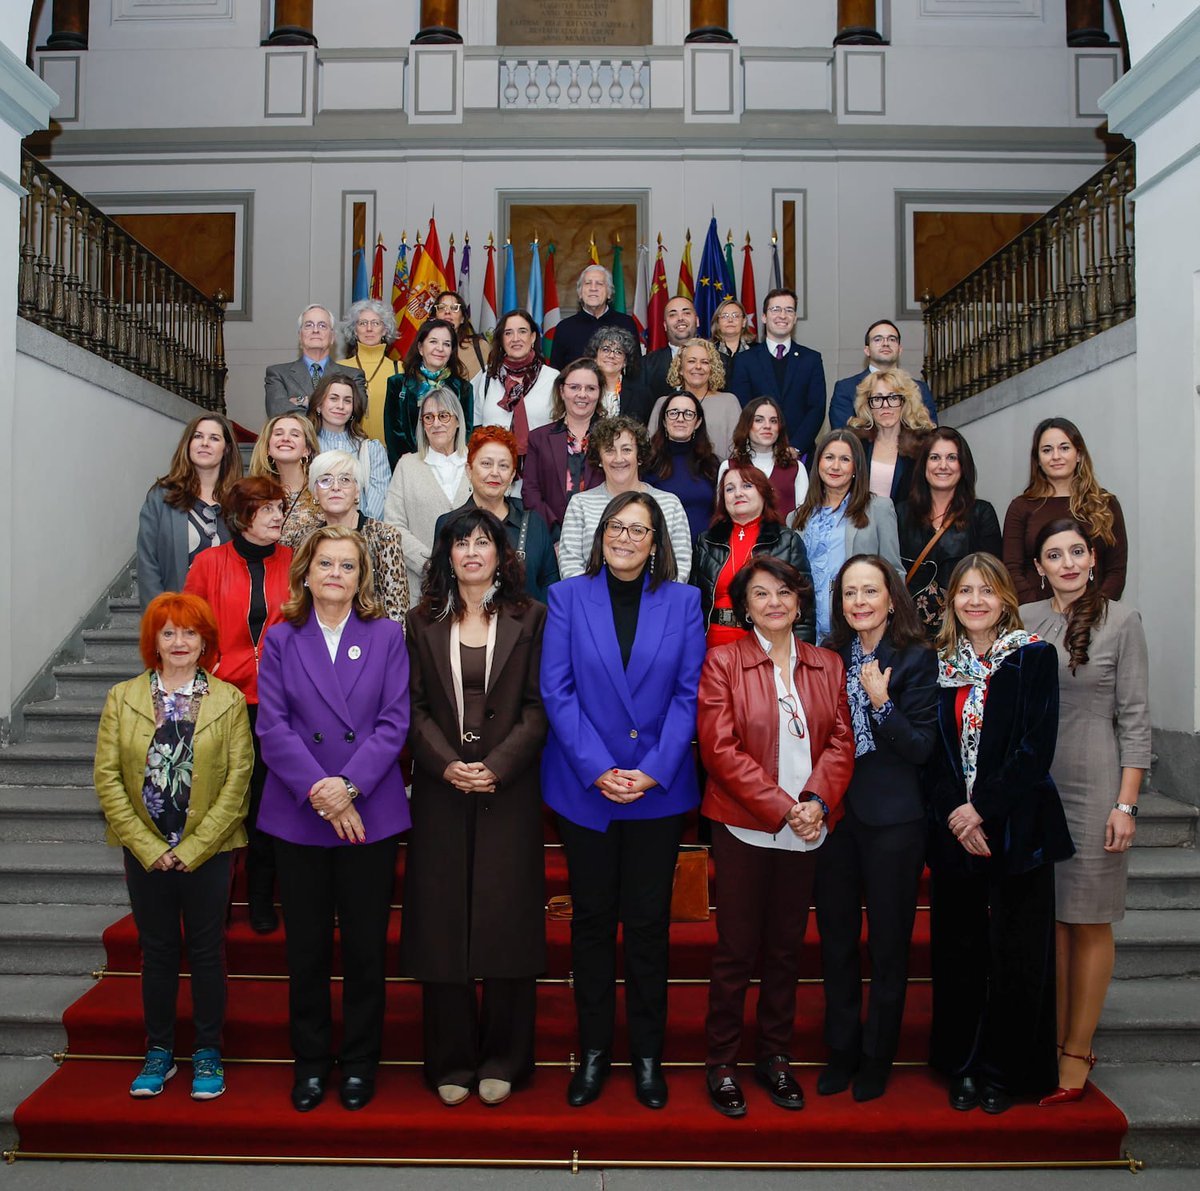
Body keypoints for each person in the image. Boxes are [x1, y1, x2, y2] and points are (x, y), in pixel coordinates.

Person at [541, 491, 705, 1110]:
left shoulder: (686, 602)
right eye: (617, 526)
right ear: (600, 534)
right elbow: (556, 692)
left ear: (657, 540)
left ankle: (645, 1055)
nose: (626, 537)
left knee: (646, 928)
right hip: (587, 790)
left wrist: (653, 770)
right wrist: (598, 767)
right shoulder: (566, 597)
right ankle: (591, 1052)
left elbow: (689, 696)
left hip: (657, 794)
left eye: (639, 529)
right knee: (589, 926)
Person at [255, 526, 411, 1114]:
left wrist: (348, 788)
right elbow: (272, 726)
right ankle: (312, 1064)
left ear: (360, 577)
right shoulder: (281, 638)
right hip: (301, 813)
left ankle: (361, 1064)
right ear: (306, 572)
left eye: (347, 566)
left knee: (368, 950)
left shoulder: (386, 635)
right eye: (325, 564)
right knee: (309, 952)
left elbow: (394, 722)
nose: (335, 574)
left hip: (367, 811)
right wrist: (321, 790)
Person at [697, 558, 854, 1118]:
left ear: (800, 600)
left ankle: (775, 1057)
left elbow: (840, 741)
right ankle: (721, 1063)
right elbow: (719, 750)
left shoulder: (827, 664)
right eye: (760, 594)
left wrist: (814, 802)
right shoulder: (723, 663)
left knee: (785, 950)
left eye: (783, 592)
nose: (774, 603)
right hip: (744, 826)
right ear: (745, 607)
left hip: (807, 826)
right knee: (736, 950)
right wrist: (785, 808)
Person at [403, 508, 549, 1106]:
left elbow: (539, 708)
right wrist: (446, 766)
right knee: (443, 924)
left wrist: (497, 766)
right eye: (459, 542)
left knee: (507, 920)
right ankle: (451, 1058)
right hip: (441, 791)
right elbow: (412, 710)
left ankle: (505, 1058)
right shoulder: (420, 621)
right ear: (446, 555)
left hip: (507, 792)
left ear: (500, 552)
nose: (470, 551)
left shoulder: (531, 617)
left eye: (481, 541)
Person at [926, 553, 1071, 1114]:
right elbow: (935, 756)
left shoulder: (1033, 657)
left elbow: (1036, 749)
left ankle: (1005, 1072)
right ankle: (960, 1065)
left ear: (1005, 598)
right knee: (959, 954)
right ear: (952, 602)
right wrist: (956, 815)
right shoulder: (941, 663)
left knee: (1017, 956)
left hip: (1018, 828)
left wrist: (980, 809)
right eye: (965, 591)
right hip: (954, 831)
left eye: (987, 591)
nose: (976, 601)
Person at [94, 592, 252, 1102]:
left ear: (205, 640)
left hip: (209, 850)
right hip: (146, 851)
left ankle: (208, 1050)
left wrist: (194, 848)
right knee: (158, 951)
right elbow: (108, 778)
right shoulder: (123, 698)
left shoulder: (227, 700)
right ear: (154, 642)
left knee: (207, 951)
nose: (180, 642)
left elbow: (238, 781)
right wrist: (147, 845)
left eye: (189, 632)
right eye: (169, 632)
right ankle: (158, 1051)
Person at [1022, 519, 1150, 1107]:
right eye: (1055, 554)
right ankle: (1048, 1038)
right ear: (1040, 566)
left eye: (1078, 551)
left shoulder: (1122, 622)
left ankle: (1078, 1048)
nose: (1068, 562)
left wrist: (1126, 804)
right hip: (1036, 784)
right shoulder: (1023, 621)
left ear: (1094, 559)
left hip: (1097, 782)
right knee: (1051, 918)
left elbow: (1136, 721)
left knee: (1089, 919)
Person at [814, 556, 937, 1102]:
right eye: (849, 594)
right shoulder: (828, 658)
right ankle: (841, 1050)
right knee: (837, 943)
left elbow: (921, 748)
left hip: (895, 823)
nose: (859, 602)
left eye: (870, 591)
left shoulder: (916, 659)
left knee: (888, 948)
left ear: (892, 598)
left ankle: (876, 1058)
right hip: (837, 821)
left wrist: (882, 703)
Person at [184, 477, 292, 935]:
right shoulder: (208, 564)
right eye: (266, 509)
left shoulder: (294, 561)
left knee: (269, 802)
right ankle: (216, 899)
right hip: (222, 702)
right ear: (243, 515)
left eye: (279, 508)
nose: (276, 516)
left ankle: (263, 897)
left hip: (280, 703)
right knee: (222, 802)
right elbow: (189, 632)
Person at [1002, 417, 1128, 604]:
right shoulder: (1021, 507)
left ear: (1078, 454)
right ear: (1037, 459)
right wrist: (1042, 613)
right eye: (1047, 450)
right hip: (1036, 621)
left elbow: (1116, 570)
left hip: (1094, 618)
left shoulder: (1106, 504)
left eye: (1064, 448)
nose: (1056, 456)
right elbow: (1011, 569)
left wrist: (1094, 611)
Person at [792, 430, 902, 641]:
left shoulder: (879, 509)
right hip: (807, 629)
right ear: (818, 463)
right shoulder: (796, 518)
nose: (835, 466)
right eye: (829, 458)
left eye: (845, 459)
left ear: (856, 467)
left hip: (858, 625)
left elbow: (894, 572)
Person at [690, 464, 814, 649]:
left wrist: (800, 657)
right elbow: (693, 605)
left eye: (747, 486)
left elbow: (804, 607)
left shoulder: (786, 541)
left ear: (763, 493)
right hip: (712, 647)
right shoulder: (707, 542)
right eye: (730, 489)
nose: (738, 493)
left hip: (768, 647)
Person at [557, 416, 692, 582]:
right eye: (609, 450)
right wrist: (596, 602)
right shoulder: (580, 504)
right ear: (599, 459)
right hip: (592, 605)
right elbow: (570, 565)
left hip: (658, 604)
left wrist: (655, 603)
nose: (618, 458)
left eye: (626, 450)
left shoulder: (670, 505)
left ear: (640, 456)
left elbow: (681, 565)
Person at [434, 426, 558, 603]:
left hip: (528, 628)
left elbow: (550, 586)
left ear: (512, 475)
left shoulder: (533, 523)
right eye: (486, 463)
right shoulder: (448, 524)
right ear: (469, 470)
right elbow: (441, 589)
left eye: (503, 466)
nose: (495, 473)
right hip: (466, 627)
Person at [284, 450, 410, 624]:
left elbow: (397, 610)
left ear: (357, 490)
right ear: (314, 492)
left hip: (373, 638)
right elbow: (299, 599)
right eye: (325, 480)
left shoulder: (384, 536)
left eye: (345, 480)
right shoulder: (305, 539)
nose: (336, 487)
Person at [897, 429, 1002, 637]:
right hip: (912, 634)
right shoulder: (901, 513)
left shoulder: (982, 514)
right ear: (924, 465)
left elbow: (994, 578)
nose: (943, 465)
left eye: (951, 458)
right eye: (935, 457)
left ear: (963, 466)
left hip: (965, 630)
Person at [137, 414, 243, 608]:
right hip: (175, 618)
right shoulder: (161, 497)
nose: (204, 443)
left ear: (226, 449)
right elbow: (147, 564)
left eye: (214, 438)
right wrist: (162, 618)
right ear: (188, 444)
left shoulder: (240, 501)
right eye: (197, 436)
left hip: (226, 619)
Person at [383, 387, 471, 592]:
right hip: (423, 585)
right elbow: (393, 525)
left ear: (458, 420)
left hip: (475, 583)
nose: (436, 424)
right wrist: (430, 563)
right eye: (428, 418)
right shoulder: (407, 465)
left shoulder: (477, 462)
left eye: (444, 416)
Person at [729, 288, 827, 463]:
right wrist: (762, 444)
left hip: (800, 455)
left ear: (795, 318)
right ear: (764, 317)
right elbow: (742, 407)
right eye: (776, 309)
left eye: (789, 310)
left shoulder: (811, 359)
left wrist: (796, 447)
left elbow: (817, 408)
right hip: (757, 453)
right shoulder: (745, 360)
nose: (783, 315)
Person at [521, 360, 605, 537]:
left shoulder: (613, 438)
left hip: (603, 536)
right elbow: (531, 491)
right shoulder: (539, 438)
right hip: (552, 538)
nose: (582, 394)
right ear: (562, 391)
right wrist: (554, 535)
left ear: (599, 393)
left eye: (590, 388)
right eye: (574, 387)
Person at [383, 318, 473, 469]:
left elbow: (465, 433)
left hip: (450, 468)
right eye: (433, 342)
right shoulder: (398, 384)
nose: (440, 348)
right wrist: (414, 466)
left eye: (446, 344)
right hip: (410, 468)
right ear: (420, 347)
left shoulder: (463, 388)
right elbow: (393, 435)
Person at [473, 309, 559, 460]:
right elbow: (476, 423)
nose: (515, 338)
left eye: (522, 331)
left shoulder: (552, 378)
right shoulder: (487, 377)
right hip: (495, 469)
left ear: (533, 337)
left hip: (542, 469)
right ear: (501, 340)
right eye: (508, 333)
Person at [307, 373, 391, 520]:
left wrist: (355, 534)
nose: (340, 406)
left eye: (347, 401)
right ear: (319, 405)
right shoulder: (306, 447)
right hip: (315, 535)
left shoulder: (371, 450)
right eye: (333, 399)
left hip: (361, 537)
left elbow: (379, 507)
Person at [829, 320, 938, 430]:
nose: (885, 343)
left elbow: (930, 432)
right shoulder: (845, 388)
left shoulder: (919, 388)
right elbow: (843, 435)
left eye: (892, 339)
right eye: (878, 339)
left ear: (900, 350)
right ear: (867, 350)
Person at [847, 367, 934, 503]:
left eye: (893, 397)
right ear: (868, 405)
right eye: (877, 398)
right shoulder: (855, 445)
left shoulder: (921, 446)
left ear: (905, 402)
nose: (885, 405)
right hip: (861, 521)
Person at [643, 391, 720, 545]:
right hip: (660, 555)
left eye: (688, 414)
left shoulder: (711, 464)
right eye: (673, 413)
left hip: (704, 556)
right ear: (664, 420)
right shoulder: (647, 463)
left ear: (697, 422)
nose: (680, 419)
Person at [265, 303, 365, 418]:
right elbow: (278, 413)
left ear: (332, 337)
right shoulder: (278, 374)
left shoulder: (353, 376)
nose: (316, 330)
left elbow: (355, 414)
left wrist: (303, 401)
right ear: (300, 336)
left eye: (322, 325)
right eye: (309, 325)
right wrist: (331, 412)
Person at [647, 338, 742, 459]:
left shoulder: (729, 402)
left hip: (718, 474)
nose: (698, 366)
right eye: (691, 361)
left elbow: (738, 450)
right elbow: (651, 450)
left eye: (705, 362)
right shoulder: (663, 403)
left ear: (712, 369)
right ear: (680, 368)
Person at [718, 397, 807, 519]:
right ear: (747, 425)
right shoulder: (729, 466)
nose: (767, 426)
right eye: (759, 420)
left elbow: (802, 520)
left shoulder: (796, 468)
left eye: (773, 421)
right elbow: (721, 515)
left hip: (785, 537)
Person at [248, 412, 322, 547]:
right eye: (278, 434)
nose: (286, 438)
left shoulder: (321, 492)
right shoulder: (255, 494)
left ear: (307, 450)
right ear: (268, 448)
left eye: (295, 434)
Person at [549, 263, 641, 370]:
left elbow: (635, 367)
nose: (593, 288)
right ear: (579, 293)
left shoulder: (626, 324)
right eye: (588, 283)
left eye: (599, 284)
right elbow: (555, 372)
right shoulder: (564, 328)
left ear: (609, 293)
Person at [334, 298, 400, 445]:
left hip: (390, 454)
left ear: (385, 330)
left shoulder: (400, 369)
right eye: (362, 323)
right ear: (355, 330)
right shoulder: (339, 368)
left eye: (376, 323)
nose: (369, 329)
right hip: (348, 451)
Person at [587, 325, 653, 422]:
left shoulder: (641, 392)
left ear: (625, 361)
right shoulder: (584, 389)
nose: (611, 355)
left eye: (618, 352)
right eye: (606, 349)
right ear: (595, 357)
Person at [641, 295, 699, 399]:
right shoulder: (646, 365)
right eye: (673, 315)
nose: (680, 318)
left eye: (686, 313)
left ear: (697, 321)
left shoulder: (720, 360)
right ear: (664, 325)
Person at [430, 289, 488, 380]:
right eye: (441, 307)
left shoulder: (480, 346)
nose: (447, 312)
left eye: (454, 308)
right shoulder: (425, 347)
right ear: (434, 317)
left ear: (462, 319)